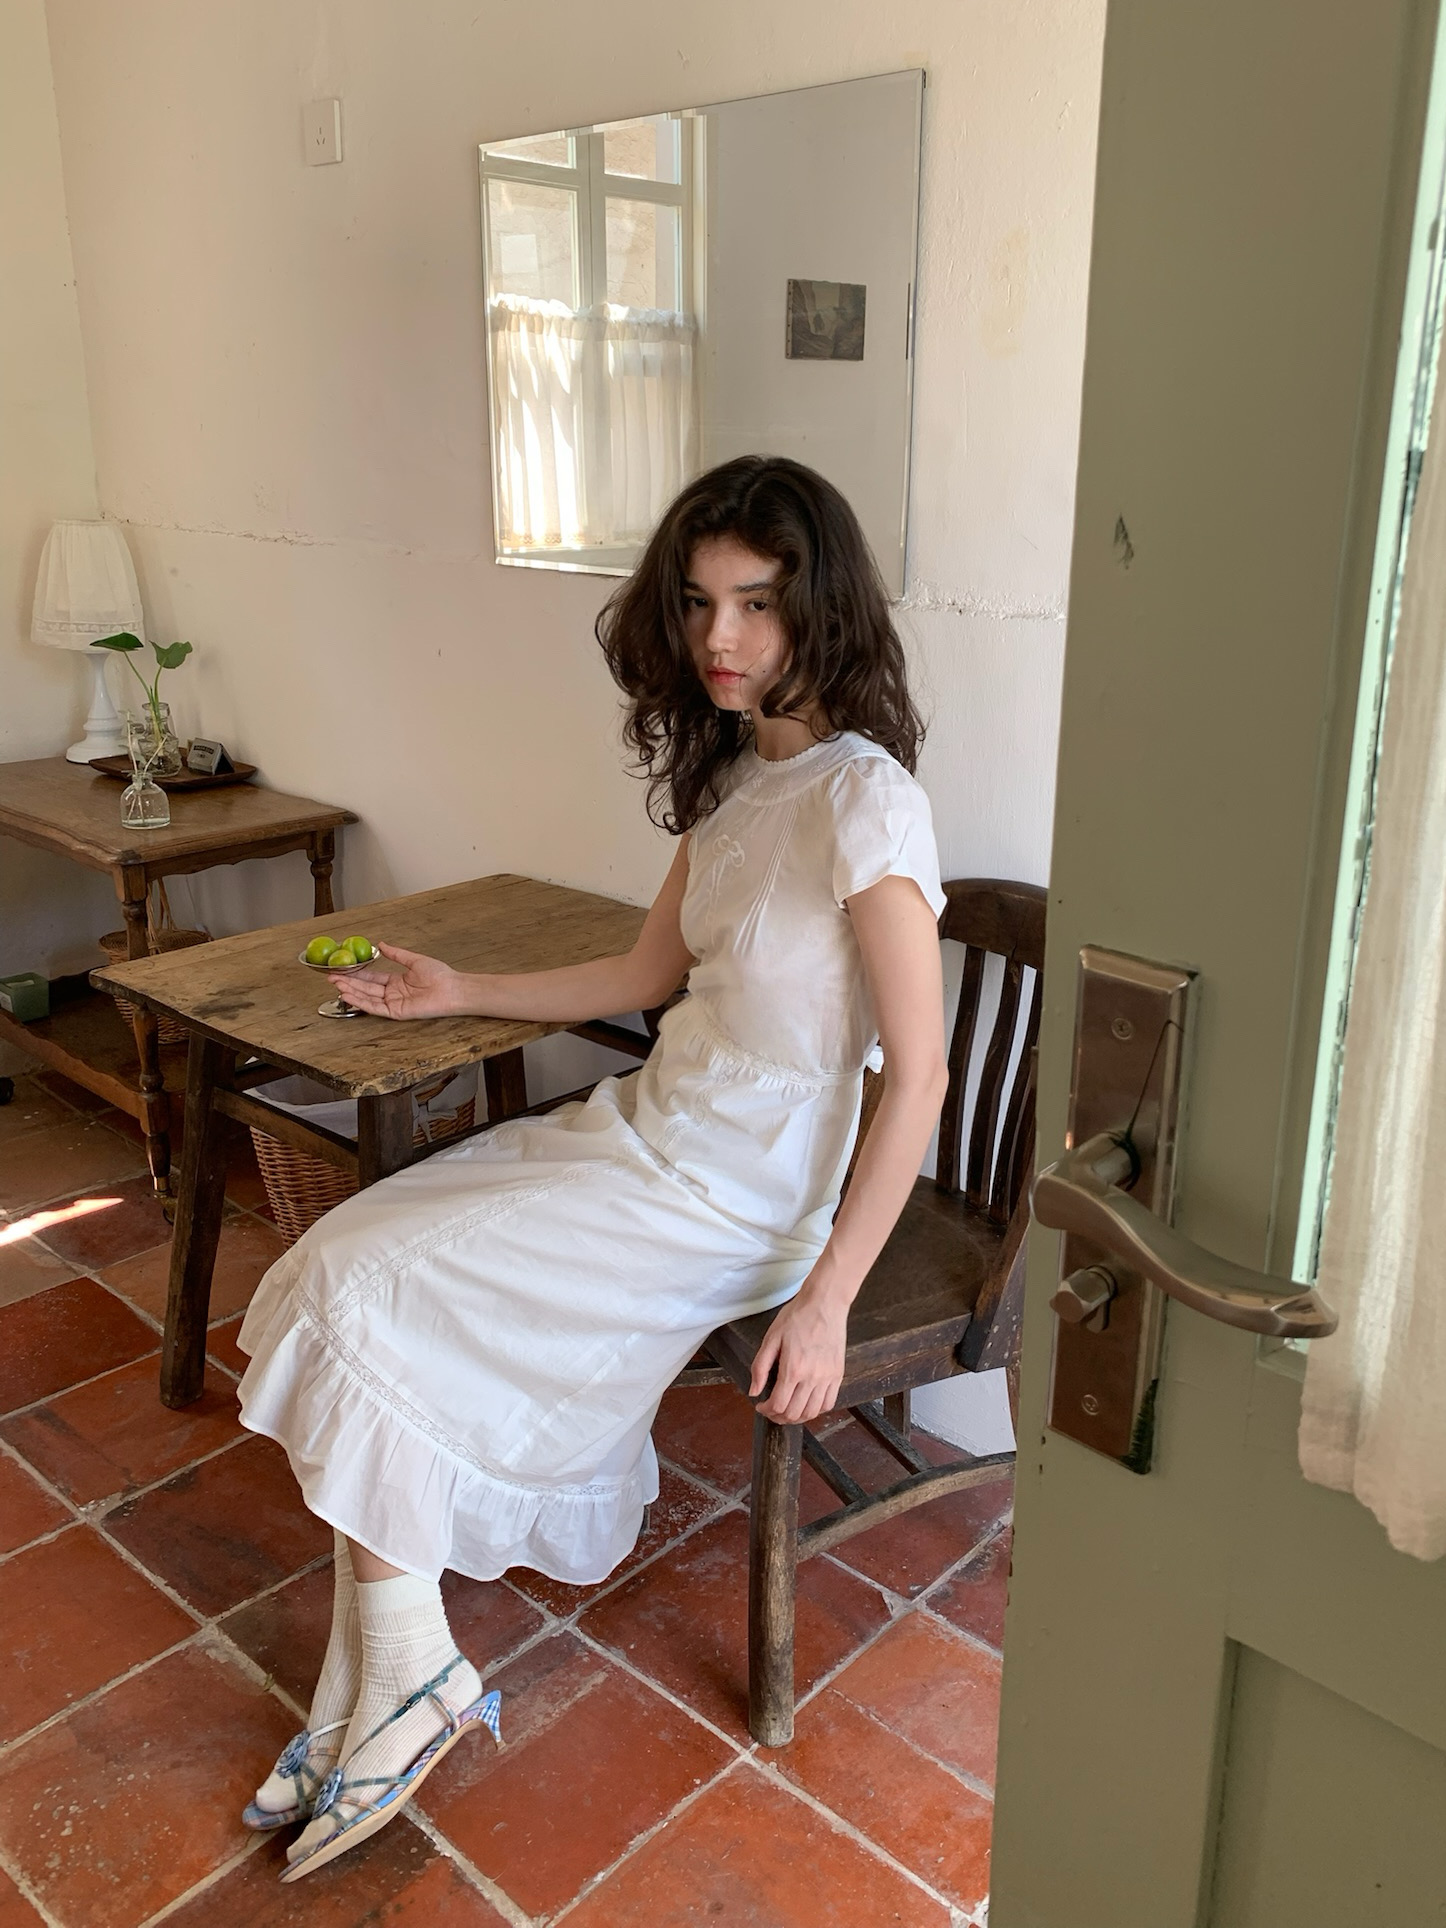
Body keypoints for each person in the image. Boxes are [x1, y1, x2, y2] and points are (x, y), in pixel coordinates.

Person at [235, 454, 949, 1880]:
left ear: (822, 606)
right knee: (337, 1262)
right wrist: (458, 992)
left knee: (365, 1292)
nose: (721, 639)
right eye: (698, 603)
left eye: (757, 602)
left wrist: (825, 1300)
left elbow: (915, 1077)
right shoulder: (738, 778)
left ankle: (404, 1675)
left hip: (739, 1193)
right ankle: (378, 1674)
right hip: (646, 1132)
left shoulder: (866, 802)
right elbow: (640, 973)